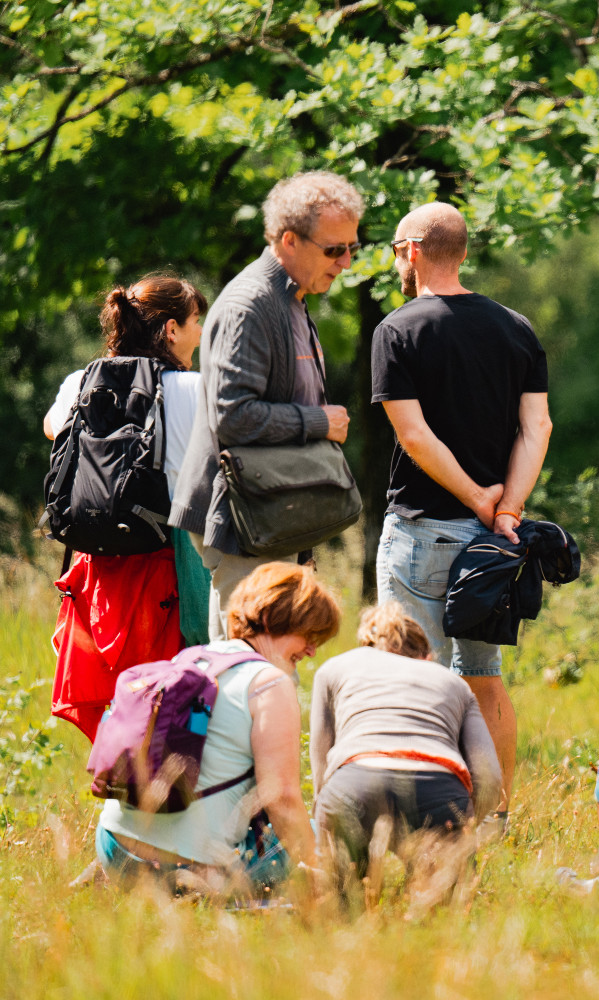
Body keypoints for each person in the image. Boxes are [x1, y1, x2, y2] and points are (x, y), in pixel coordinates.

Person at [371, 201, 552, 816]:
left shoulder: (398, 330)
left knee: (404, 674)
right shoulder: (516, 327)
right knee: (483, 677)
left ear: (414, 251)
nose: (397, 261)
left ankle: (415, 812)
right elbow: (538, 426)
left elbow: (413, 436)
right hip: (490, 543)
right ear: (464, 252)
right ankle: (494, 818)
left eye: (397, 250)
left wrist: (476, 496)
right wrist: (506, 511)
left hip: (422, 532)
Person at [170, 171, 364, 640]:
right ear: (290, 240)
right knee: (248, 672)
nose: (346, 263)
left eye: (352, 248)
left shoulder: (293, 298)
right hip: (241, 518)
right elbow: (233, 416)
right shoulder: (249, 305)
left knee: (269, 666)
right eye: (334, 249)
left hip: (269, 515)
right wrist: (319, 422)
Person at [93, 562, 341, 896]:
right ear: (276, 619)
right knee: (324, 834)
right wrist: (318, 878)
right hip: (187, 871)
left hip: (113, 850)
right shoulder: (269, 683)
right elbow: (280, 798)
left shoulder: (190, 657)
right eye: (309, 635)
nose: (311, 650)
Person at [45, 275, 212, 738]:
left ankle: (121, 796)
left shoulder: (82, 381)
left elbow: (51, 427)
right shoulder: (194, 391)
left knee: (118, 710)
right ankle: (171, 801)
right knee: (171, 712)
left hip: (97, 570)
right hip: (168, 565)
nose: (202, 331)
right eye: (196, 320)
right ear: (172, 330)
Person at [311, 603, 503, 883]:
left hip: (353, 784)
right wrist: (465, 825)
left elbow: (322, 769)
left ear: (368, 646)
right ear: (425, 655)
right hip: (439, 791)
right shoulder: (452, 682)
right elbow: (490, 777)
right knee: (443, 915)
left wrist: (325, 832)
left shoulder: (334, 668)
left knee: (340, 907)